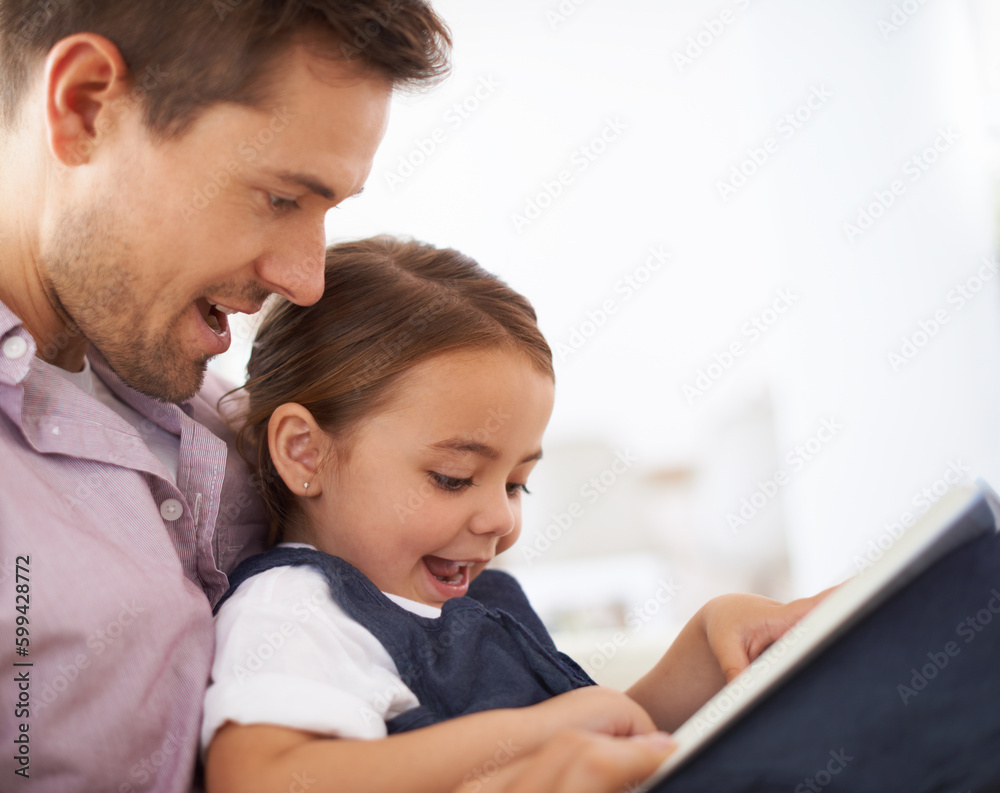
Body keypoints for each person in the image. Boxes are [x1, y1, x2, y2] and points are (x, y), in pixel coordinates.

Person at [0, 2, 450, 790]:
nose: (306, 281)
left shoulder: (219, 410)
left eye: (326, 211)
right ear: (85, 107)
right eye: (280, 198)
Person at [200, 236, 827, 793]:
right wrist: (534, 732)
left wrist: (708, 646)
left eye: (518, 484)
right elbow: (259, 777)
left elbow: (601, 746)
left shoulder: (481, 604)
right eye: (453, 478)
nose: (498, 518)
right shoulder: (298, 609)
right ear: (304, 451)